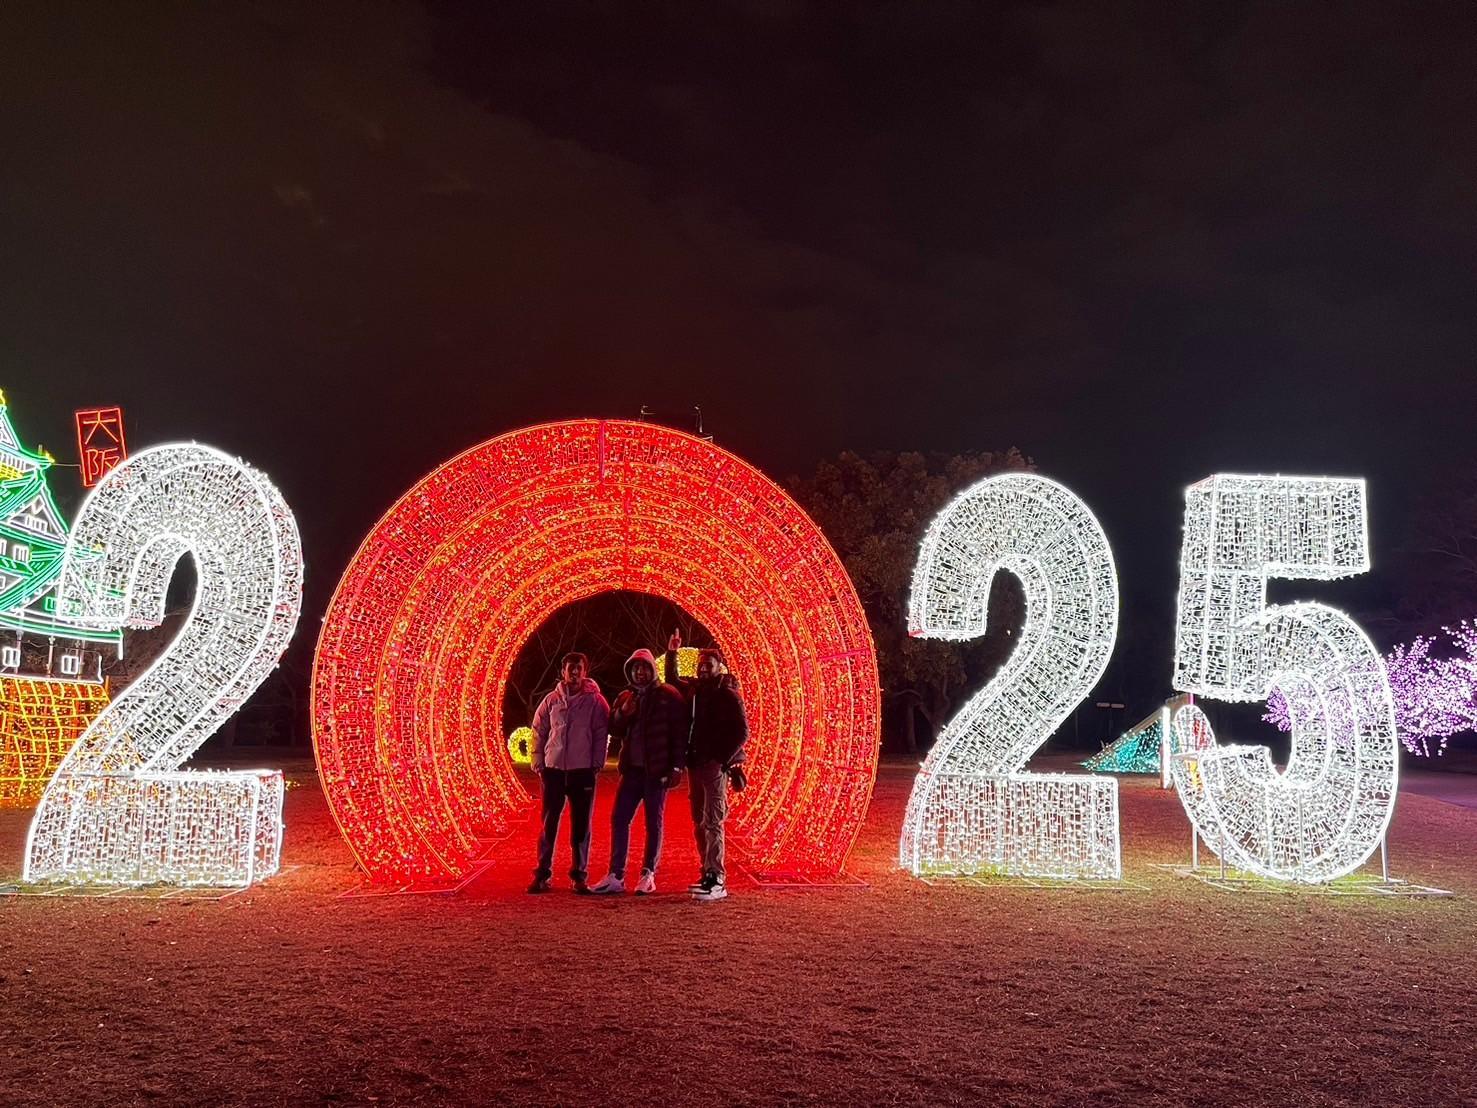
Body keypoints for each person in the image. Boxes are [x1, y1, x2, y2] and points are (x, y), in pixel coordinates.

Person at [589, 647, 688, 895]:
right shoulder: (626, 697)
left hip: (657, 770)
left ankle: (648, 873)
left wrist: (676, 766)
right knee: (620, 818)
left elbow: (679, 734)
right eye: (635, 668)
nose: (640, 672)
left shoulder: (668, 695)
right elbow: (614, 728)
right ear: (630, 672)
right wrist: (624, 712)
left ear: (652, 669)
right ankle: (616, 875)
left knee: (653, 823)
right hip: (632, 771)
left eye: (644, 667)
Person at [663, 630, 749, 901]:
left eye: (708, 665)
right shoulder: (695, 690)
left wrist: (723, 759)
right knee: (699, 821)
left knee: (713, 821)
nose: (702, 668)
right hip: (695, 763)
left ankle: (717, 879)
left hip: (714, 765)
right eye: (700, 665)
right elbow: (671, 680)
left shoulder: (728, 694)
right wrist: (672, 652)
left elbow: (742, 732)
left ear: (718, 667)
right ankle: (706, 871)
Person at [527, 652, 610, 895]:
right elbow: (539, 729)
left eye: (579, 669)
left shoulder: (596, 702)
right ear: (562, 671)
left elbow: (601, 733)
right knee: (548, 822)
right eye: (570, 668)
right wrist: (538, 758)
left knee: (581, 824)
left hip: (582, 770)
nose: (574, 673)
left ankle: (579, 875)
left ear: (585, 672)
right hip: (553, 770)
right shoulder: (551, 700)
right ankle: (542, 873)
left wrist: (597, 762)